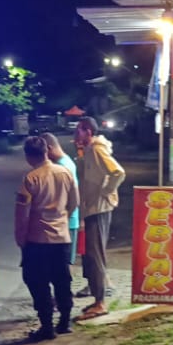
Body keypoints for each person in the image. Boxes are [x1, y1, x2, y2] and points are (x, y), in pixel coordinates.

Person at [14, 134, 78, 342]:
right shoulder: (65, 173)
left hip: (38, 240)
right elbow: (74, 202)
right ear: (46, 152)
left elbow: (22, 214)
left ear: (28, 156)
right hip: (62, 238)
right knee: (62, 281)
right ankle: (65, 322)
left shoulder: (31, 179)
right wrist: (61, 219)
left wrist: (21, 238)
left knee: (38, 283)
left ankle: (47, 326)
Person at [73, 116, 125, 320]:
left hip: (99, 208)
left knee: (95, 255)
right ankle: (97, 299)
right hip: (92, 208)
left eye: (79, 129)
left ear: (88, 131)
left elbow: (117, 172)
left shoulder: (96, 149)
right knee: (91, 254)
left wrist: (106, 191)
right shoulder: (88, 150)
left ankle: (101, 302)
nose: (76, 133)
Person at [42, 132, 80, 266]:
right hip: (66, 222)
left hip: (66, 224)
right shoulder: (66, 161)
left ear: (49, 149)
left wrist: (63, 218)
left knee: (62, 265)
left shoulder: (62, 167)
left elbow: (73, 198)